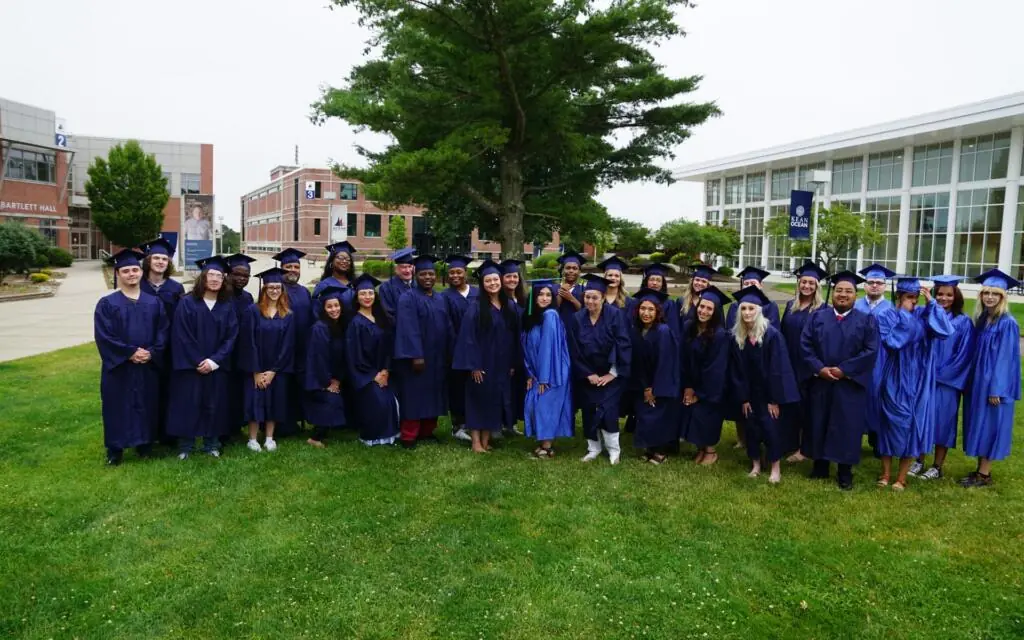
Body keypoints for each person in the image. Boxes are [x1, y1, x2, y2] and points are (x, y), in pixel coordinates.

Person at [799, 271, 879, 490]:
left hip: (849, 384)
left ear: (856, 294)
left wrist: (844, 370)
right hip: (821, 381)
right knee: (819, 421)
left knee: (847, 426)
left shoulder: (867, 320)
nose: (843, 295)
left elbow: (871, 351)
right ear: (832, 293)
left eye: (849, 291)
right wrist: (819, 368)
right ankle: (820, 466)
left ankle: (845, 471)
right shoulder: (817, 317)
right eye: (839, 290)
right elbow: (805, 346)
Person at [874, 277, 952, 490]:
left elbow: (944, 331)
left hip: (918, 377)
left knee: (912, 424)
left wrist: (932, 305)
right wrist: (904, 315)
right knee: (890, 422)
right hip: (895, 375)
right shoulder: (886, 315)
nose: (914, 302)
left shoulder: (922, 314)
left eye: (916, 298)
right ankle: (885, 474)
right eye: (909, 297)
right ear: (899, 297)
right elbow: (893, 343)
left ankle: (901, 478)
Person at [94, 249, 169, 465]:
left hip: (147, 365)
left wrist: (152, 352)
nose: (131, 274)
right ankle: (115, 450)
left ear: (141, 272)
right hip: (120, 367)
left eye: (135, 270)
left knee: (146, 403)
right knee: (117, 406)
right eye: (126, 271)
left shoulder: (154, 302)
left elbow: (163, 331)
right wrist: (129, 353)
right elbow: (104, 336)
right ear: (118, 274)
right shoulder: (107, 304)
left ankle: (144, 445)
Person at [167, 256, 239, 460]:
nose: (215, 279)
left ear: (224, 280)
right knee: (188, 404)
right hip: (191, 367)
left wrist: (215, 361)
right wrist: (199, 360)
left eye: (219, 276)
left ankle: (211, 444)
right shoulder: (187, 303)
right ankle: (186, 446)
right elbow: (182, 335)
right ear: (203, 278)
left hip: (216, 366)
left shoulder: (227, 306)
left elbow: (231, 336)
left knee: (214, 404)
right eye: (211, 275)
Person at [729, 286, 800, 483]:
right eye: (743, 309)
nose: (747, 313)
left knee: (771, 429)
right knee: (751, 428)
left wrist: (774, 399)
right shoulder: (738, 337)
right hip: (750, 393)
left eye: (751, 309)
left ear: (759, 310)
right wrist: (743, 397)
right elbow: (737, 371)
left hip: (768, 394)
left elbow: (778, 369)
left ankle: (775, 468)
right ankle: (756, 465)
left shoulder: (772, 336)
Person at [960, 269, 1021, 488]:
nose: (989, 297)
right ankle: (979, 470)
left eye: (995, 294)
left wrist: (997, 389)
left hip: (993, 386)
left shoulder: (1007, 323)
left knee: (991, 426)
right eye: (986, 293)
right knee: (980, 424)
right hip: (979, 382)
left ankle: (984, 475)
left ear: (1003, 297)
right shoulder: (984, 319)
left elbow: (1005, 359)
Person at [453, 260, 520, 454]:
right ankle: (476, 443)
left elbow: (514, 337)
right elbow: (468, 339)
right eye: (488, 280)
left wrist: (512, 362)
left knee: (494, 401)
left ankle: (486, 439)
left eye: (495, 280)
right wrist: (473, 365)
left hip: (501, 363)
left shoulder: (508, 306)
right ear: (483, 284)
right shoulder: (476, 308)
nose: (493, 283)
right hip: (482, 363)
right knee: (477, 401)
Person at [911, 275, 974, 479]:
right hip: (923, 377)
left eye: (948, 295)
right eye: (939, 294)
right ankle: (918, 460)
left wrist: (939, 375)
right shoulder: (924, 313)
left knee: (943, 422)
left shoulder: (963, 322)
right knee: (920, 418)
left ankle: (937, 467)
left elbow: (964, 356)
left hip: (946, 382)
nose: (943, 298)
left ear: (956, 297)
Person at [567, 274, 632, 464]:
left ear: (603, 297)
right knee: (589, 410)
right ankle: (593, 448)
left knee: (608, 411)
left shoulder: (616, 315)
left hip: (611, 375)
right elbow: (574, 349)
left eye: (595, 297)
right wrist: (588, 374)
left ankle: (614, 450)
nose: (590, 301)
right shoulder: (577, 318)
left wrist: (612, 373)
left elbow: (624, 344)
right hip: (587, 375)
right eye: (587, 297)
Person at [393, 254, 453, 448]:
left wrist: (451, 352)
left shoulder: (440, 298)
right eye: (423, 274)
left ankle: (427, 431)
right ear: (415, 275)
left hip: (437, 357)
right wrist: (415, 355)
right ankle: (409, 435)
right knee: (414, 395)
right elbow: (407, 328)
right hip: (417, 359)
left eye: (431, 274)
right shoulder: (407, 298)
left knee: (434, 393)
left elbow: (448, 326)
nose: (428, 277)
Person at [239, 268, 296, 453]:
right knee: (255, 400)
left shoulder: (288, 314)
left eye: (277, 287)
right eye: (270, 287)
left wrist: (273, 371)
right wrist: (256, 371)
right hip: (256, 366)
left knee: (275, 400)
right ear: (264, 289)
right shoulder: (252, 311)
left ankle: (270, 438)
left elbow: (288, 345)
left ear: (282, 290)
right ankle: (252, 439)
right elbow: (249, 342)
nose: (274, 291)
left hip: (276, 369)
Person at [138, 237, 185, 445]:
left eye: (164, 258)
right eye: (156, 257)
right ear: (148, 260)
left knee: (169, 391)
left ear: (169, 262)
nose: (160, 262)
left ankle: (168, 434)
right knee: (144, 393)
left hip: (169, 349)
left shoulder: (175, 288)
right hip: (143, 348)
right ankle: (145, 435)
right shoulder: (137, 285)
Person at [781, 261, 828, 463]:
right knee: (790, 406)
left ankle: (804, 449)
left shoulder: (823, 309)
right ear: (799, 283)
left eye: (811, 283)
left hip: (809, 367)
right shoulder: (791, 306)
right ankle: (790, 443)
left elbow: (825, 340)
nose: (807, 286)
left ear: (817, 286)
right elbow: (782, 333)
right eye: (804, 282)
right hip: (790, 362)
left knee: (808, 409)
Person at [345, 274, 400, 447]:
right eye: (363, 294)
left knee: (391, 401)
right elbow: (354, 355)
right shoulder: (355, 323)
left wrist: (385, 370)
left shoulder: (381, 318)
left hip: (384, 371)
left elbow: (389, 346)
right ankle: (374, 437)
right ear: (357, 297)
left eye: (370, 293)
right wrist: (372, 376)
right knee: (378, 402)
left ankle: (390, 435)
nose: (367, 297)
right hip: (365, 376)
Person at [521, 279, 574, 458]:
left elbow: (548, 348)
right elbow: (525, 346)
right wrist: (529, 373)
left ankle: (547, 446)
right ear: (533, 298)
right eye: (540, 294)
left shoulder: (550, 315)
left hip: (553, 371)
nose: (544, 298)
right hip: (538, 371)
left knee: (546, 406)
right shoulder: (532, 318)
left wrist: (544, 377)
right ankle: (544, 443)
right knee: (538, 405)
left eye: (548, 295)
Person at [680, 286, 731, 465]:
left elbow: (715, 369)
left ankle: (711, 450)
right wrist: (687, 386)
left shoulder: (720, 335)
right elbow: (683, 358)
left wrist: (698, 393)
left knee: (707, 415)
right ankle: (700, 448)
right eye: (702, 306)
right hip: (692, 382)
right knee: (694, 416)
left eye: (709, 308)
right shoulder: (689, 327)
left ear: (715, 312)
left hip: (712, 387)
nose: (704, 311)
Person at [629, 288, 680, 465]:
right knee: (645, 416)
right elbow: (635, 361)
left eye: (651, 309)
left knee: (659, 416)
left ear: (658, 311)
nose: (646, 313)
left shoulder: (663, 331)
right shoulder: (636, 331)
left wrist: (654, 388)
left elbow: (666, 362)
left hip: (661, 383)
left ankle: (660, 451)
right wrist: (644, 386)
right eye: (643, 309)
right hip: (643, 382)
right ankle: (650, 449)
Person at [855, 263, 896, 454]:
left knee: (879, 398)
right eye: (870, 282)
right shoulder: (855, 305)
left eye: (879, 283)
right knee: (856, 398)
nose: (874, 286)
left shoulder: (891, 309)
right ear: (864, 285)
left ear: (885, 286)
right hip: (857, 359)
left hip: (882, 360)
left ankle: (878, 441)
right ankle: (853, 438)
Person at [273, 248, 314, 437]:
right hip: (280, 347)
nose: (293, 270)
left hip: (301, 347)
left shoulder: (305, 292)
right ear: (281, 268)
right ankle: (282, 423)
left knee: (298, 384)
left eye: (296, 266)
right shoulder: (275, 290)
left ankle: (298, 419)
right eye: (288, 266)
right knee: (282, 385)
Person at [304, 285, 349, 447]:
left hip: (332, 376)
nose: (334, 309)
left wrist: (338, 379)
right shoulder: (320, 328)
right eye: (329, 306)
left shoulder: (338, 326)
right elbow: (318, 359)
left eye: (336, 305)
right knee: (332, 400)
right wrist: (328, 383)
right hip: (318, 378)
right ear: (323, 308)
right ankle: (315, 437)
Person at [440, 254, 479, 442]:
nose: (455, 275)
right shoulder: (444, 297)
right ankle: (458, 425)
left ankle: (476, 422)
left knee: (475, 386)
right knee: (456, 387)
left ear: (466, 272)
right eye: (452, 272)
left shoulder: (478, 293)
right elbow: (444, 324)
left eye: (459, 272)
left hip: (478, 348)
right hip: (454, 349)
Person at [224, 252, 257, 445]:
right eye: (237, 274)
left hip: (241, 352)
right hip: (223, 353)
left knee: (239, 391)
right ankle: (223, 430)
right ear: (228, 274)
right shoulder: (221, 295)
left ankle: (236, 427)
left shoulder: (248, 298)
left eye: (245, 276)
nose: (241, 278)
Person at [499, 258, 527, 436]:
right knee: (505, 388)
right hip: (507, 350)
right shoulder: (500, 301)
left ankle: (512, 422)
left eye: (515, 276)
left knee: (517, 387)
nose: (512, 280)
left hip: (521, 350)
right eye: (508, 276)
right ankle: (501, 423)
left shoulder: (523, 298)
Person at [725, 266, 781, 331]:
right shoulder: (735, 306)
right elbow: (730, 329)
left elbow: (774, 330)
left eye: (753, 283)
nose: (749, 286)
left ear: (760, 285)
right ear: (742, 286)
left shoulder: (770, 305)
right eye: (746, 283)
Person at [639, 263, 678, 333]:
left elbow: (673, 329)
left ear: (663, 284)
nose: (654, 283)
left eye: (658, 280)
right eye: (651, 279)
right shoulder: (637, 301)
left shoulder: (669, 304)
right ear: (646, 282)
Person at [379, 247, 416, 319]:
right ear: (396, 269)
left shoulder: (418, 285)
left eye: (410, 266)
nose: (408, 270)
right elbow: (388, 314)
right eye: (404, 267)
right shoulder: (386, 288)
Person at [555, 251, 586, 326]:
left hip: (577, 330)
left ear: (579, 272)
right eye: (568, 268)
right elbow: (552, 309)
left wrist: (571, 298)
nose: (571, 271)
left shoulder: (584, 290)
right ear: (562, 270)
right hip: (557, 329)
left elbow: (585, 313)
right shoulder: (554, 288)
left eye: (575, 268)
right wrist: (561, 292)